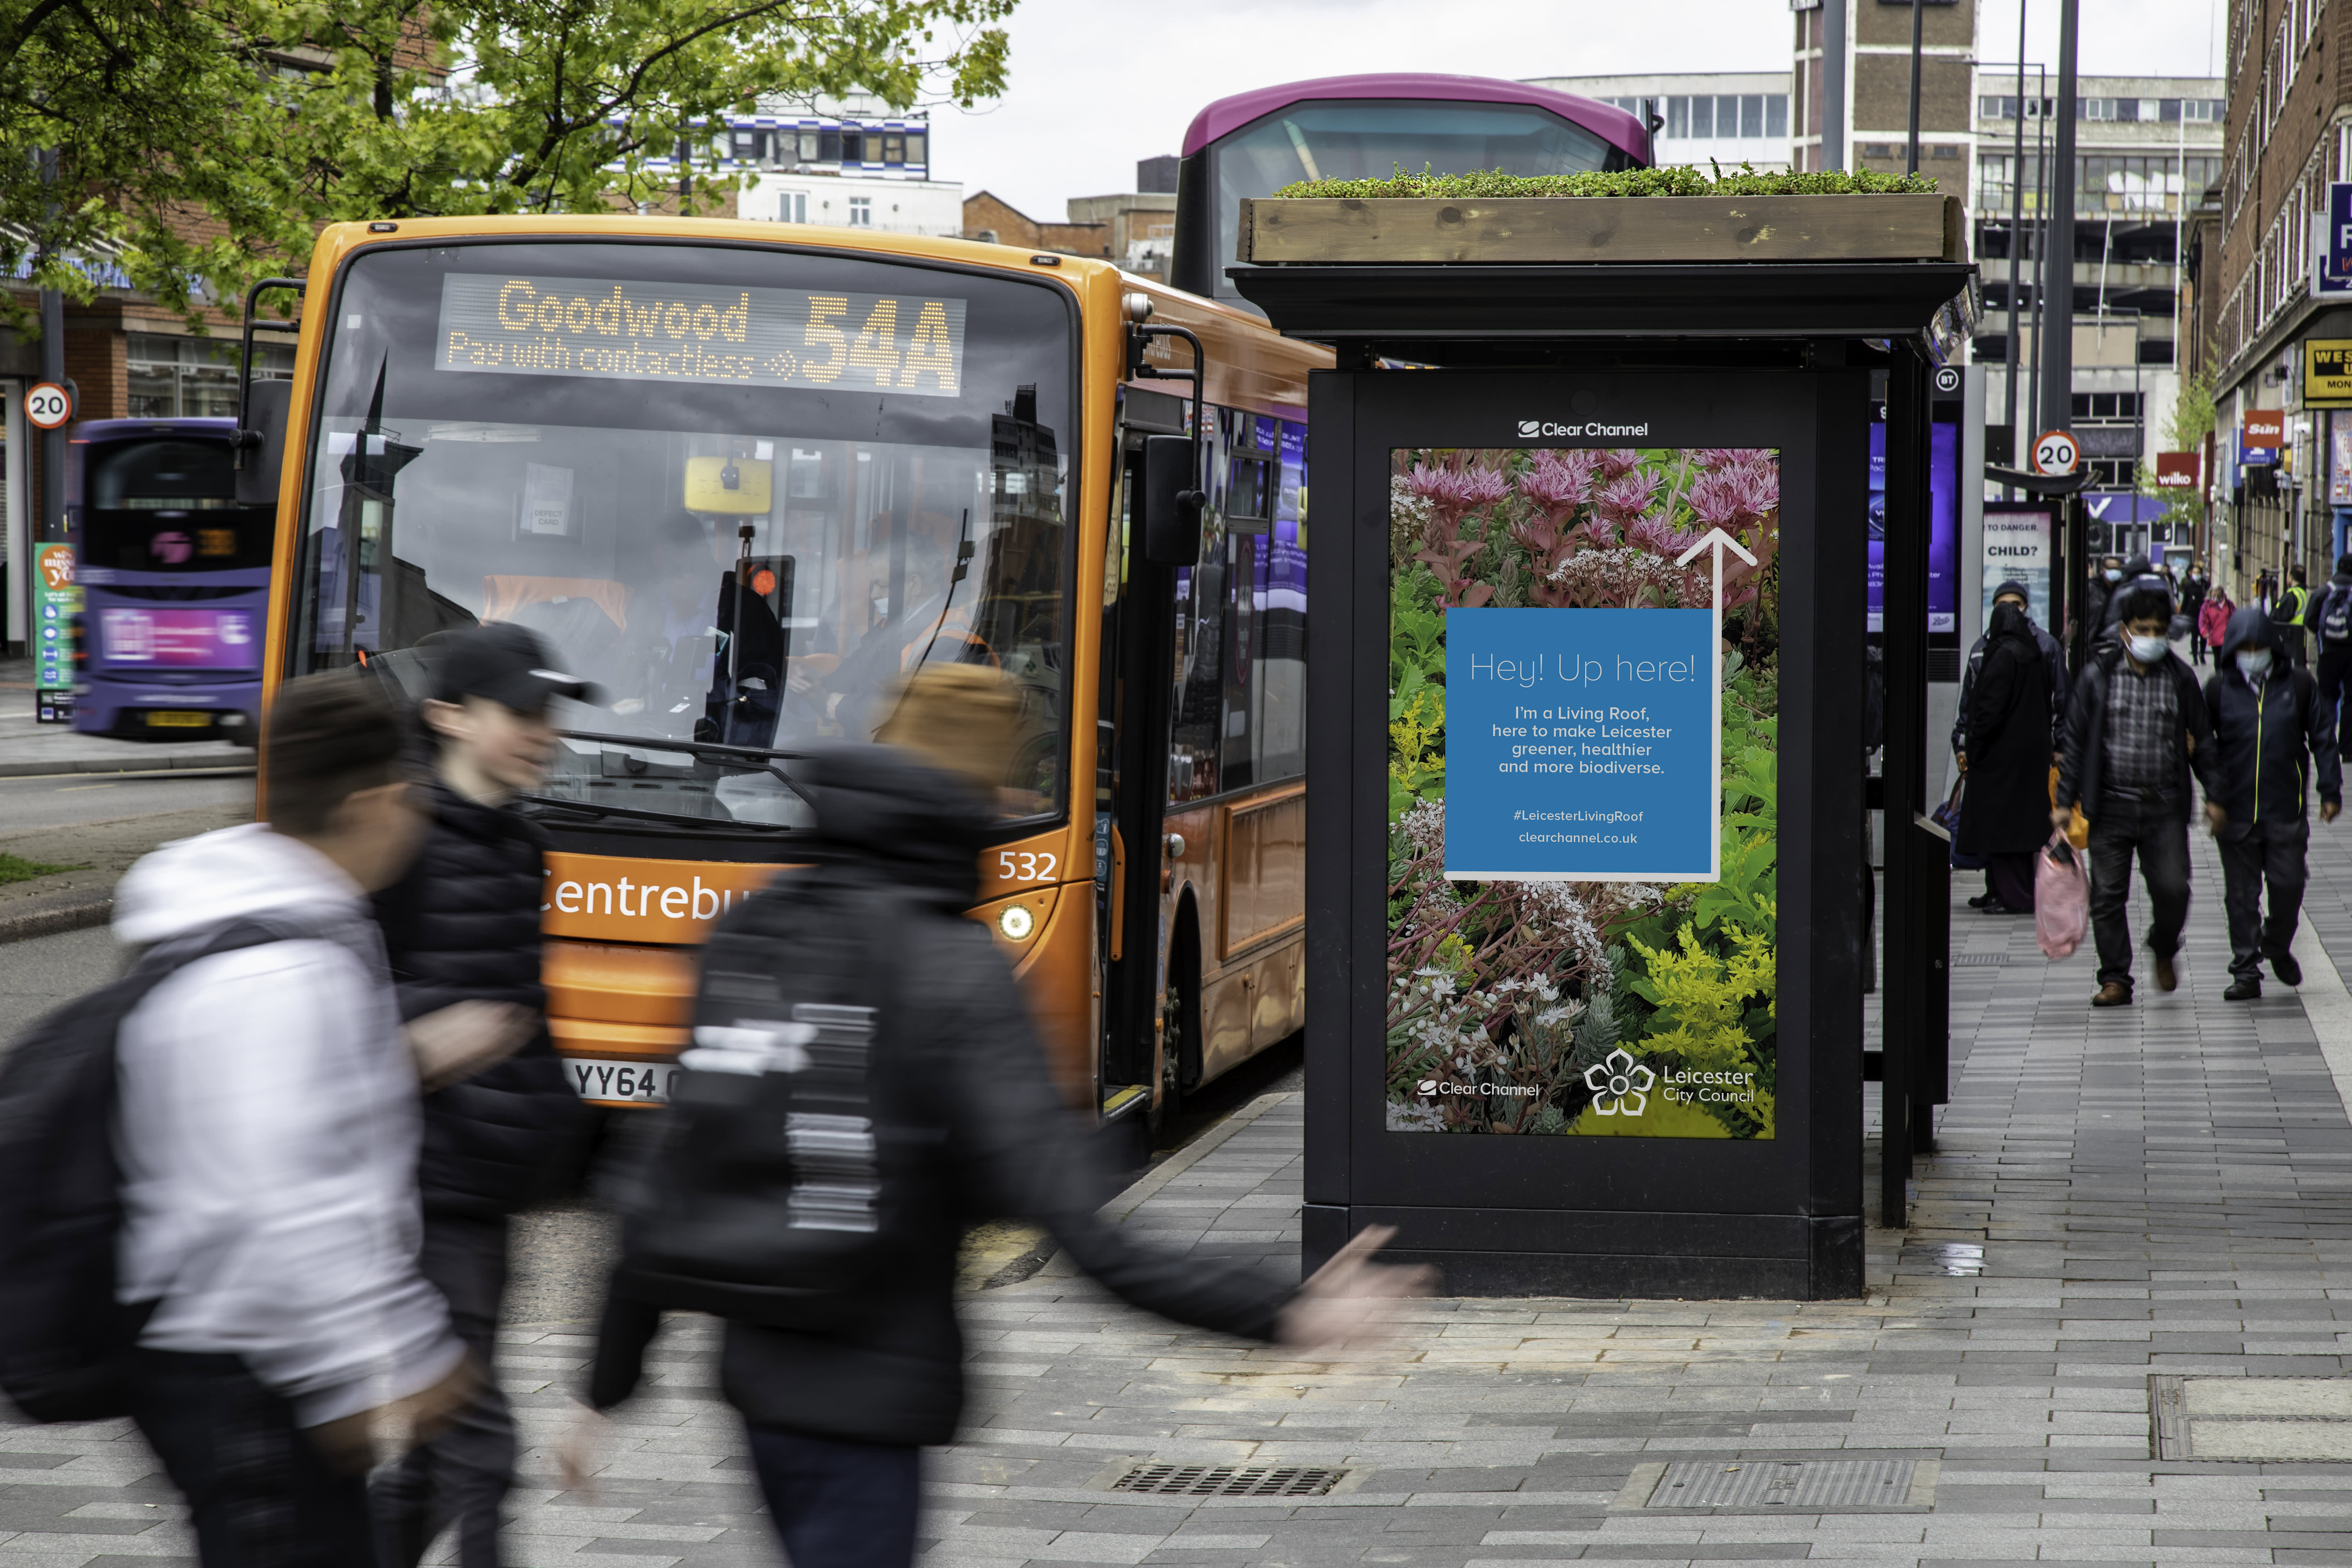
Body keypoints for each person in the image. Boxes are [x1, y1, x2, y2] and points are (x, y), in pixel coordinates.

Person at [563, 665, 1429, 1568]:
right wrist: (1287, 1310)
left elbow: (661, 1182)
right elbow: (1089, 1241)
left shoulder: (749, 933)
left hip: (759, 1394)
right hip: (874, 1401)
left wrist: (600, 1392)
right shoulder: (953, 968)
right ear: (976, 797)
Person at [109, 671, 527, 1568]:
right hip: (245, 1360)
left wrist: (405, 1056)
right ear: (374, 801)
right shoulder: (287, 965)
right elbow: (280, 1191)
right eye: (411, 799)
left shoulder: (257, 924)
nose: (419, 820)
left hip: (233, 1353)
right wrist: (406, 1362)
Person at [368, 625, 594, 1568]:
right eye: (525, 712)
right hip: (415, 1197)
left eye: (553, 714)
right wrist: (411, 1038)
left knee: (432, 1456)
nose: (547, 733)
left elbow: (524, 1014)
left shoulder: (520, 846)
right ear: (450, 717)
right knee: (484, 1451)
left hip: (488, 1199)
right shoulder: (396, 840)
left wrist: (581, 1145)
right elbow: (333, 997)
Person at [2053, 583, 2221, 1007]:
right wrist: (2063, 802)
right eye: (2142, 629)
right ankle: (2115, 979)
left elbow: (2203, 740)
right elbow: (2075, 742)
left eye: (2158, 630)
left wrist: (2215, 795)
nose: (2151, 637)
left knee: (2173, 888)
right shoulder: (2098, 676)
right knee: (2108, 896)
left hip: (2164, 805)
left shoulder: (2181, 679)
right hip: (2110, 805)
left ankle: (2164, 945)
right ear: (2125, 630)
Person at [2203, 606, 2342, 1000]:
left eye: (2259, 645)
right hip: (2236, 813)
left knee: (2289, 885)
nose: (2252, 652)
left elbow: (2322, 738)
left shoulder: (2298, 684)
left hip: (2285, 809)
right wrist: (2213, 797)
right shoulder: (2218, 688)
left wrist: (2330, 790)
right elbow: (2203, 745)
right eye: (2244, 646)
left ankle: (2276, 944)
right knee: (2242, 895)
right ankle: (2246, 970)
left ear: (2272, 647)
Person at [1954, 580, 2068, 909]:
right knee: (2016, 832)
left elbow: (1984, 709)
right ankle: (2003, 892)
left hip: (1998, 761)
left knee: (2001, 831)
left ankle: (2010, 895)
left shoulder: (2004, 653)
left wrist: (1971, 745)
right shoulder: (2032, 652)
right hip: (2027, 759)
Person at [2311, 554, 2352, 758]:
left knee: (2327, 697)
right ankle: (2348, 749)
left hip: (2327, 653)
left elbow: (2310, 619)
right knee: (2351, 700)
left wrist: (2324, 637)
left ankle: (2326, 744)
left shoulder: (2324, 592)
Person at [2277, 560, 2313, 669]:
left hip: (2291, 643)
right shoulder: (2307, 595)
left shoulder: (2292, 596)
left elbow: (2276, 618)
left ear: (2291, 578)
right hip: (2305, 644)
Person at [2179, 561, 2211, 666]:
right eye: (2194, 573)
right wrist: (2182, 613)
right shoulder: (2189, 586)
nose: (2196, 575)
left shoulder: (2205, 585)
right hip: (2193, 614)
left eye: (2198, 573)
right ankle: (2195, 658)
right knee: (2194, 636)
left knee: (2203, 636)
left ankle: (2202, 655)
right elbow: (2186, 600)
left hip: (2203, 614)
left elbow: (2210, 595)